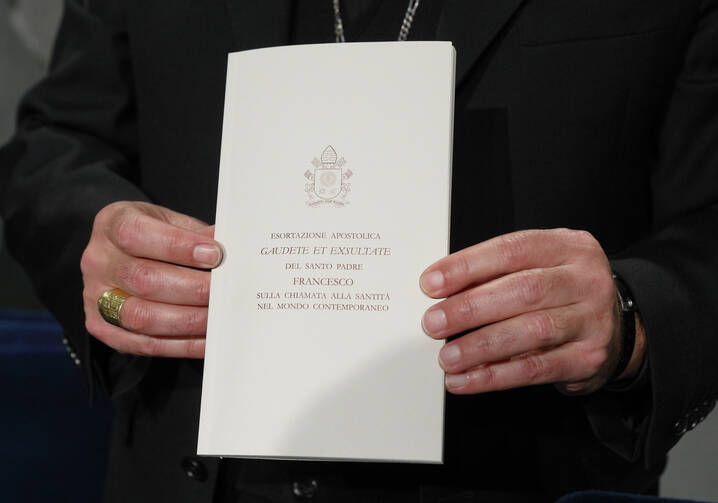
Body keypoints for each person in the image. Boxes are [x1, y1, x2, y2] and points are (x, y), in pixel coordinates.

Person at [1, 1, 717, 502]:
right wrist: (104, 249)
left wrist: (631, 315)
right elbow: (57, 141)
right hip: (188, 474)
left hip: (518, 474)